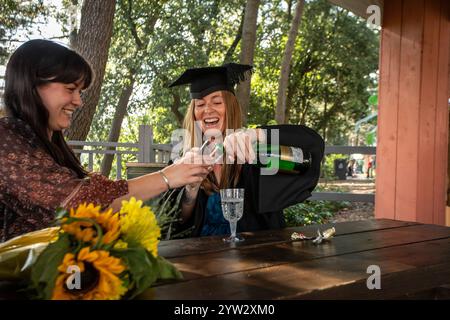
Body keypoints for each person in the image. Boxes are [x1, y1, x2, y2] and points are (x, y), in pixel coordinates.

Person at [0, 39, 212, 242]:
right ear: (32, 85)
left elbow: (100, 190)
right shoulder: (6, 138)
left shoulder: (51, 146)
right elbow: (81, 202)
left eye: (80, 91)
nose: (78, 101)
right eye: (70, 89)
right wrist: (168, 176)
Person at [168, 63, 325, 237]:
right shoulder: (186, 160)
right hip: (201, 256)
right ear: (194, 113)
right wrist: (191, 190)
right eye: (200, 104)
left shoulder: (255, 154)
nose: (207, 109)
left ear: (231, 108)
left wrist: (258, 134)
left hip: (258, 253)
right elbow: (176, 223)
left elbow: (311, 148)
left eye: (217, 102)